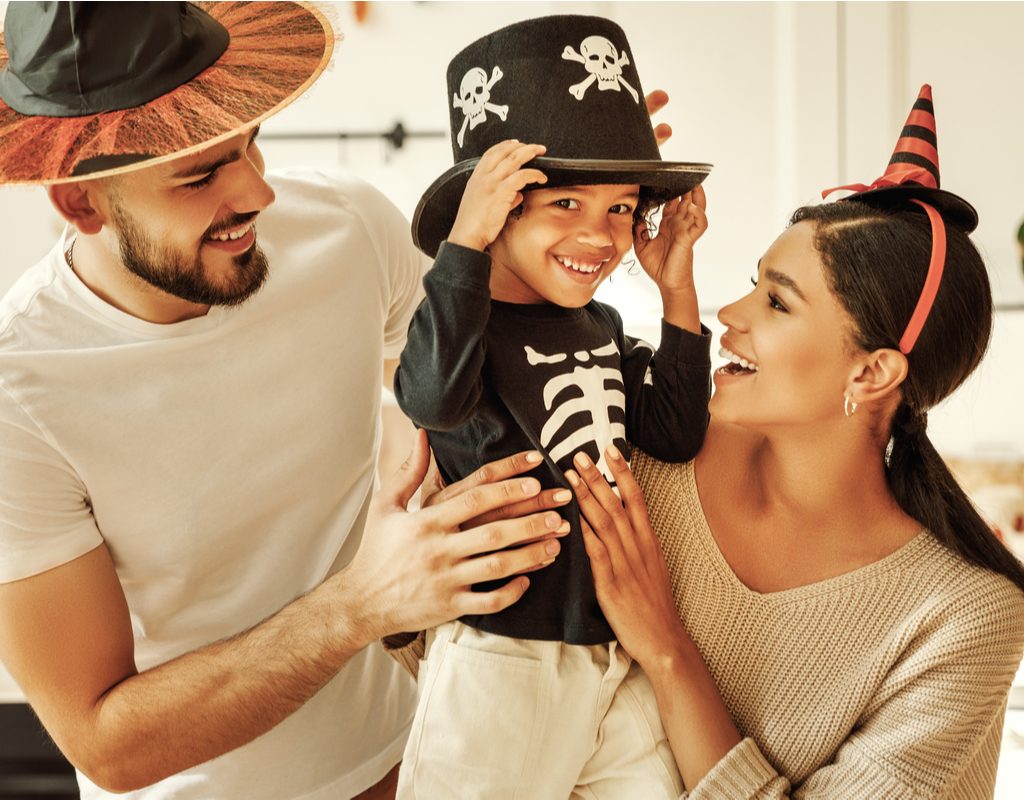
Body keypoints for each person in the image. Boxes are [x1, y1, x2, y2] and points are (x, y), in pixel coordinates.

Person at [0, 4, 575, 798]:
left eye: (250, 146)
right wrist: (361, 604)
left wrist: (578, 198)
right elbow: (107, 745)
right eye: (199, 175)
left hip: (414, 762)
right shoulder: (17, 398)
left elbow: (485, 370)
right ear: (82, 203)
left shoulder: (348, 226)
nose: (258, 193)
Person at [568, 85, 1024, 798]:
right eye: (755, 283)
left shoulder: (963, 619)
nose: (731, 312)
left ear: (873, 371)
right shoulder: (650, 443)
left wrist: (666, 647)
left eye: (777, 301)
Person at [391, 15, 712, 798]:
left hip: (615, 649)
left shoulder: (601, 325)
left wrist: (675, 288)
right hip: (501, 654)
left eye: (620, 209)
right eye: (565, 204)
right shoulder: (465, 333)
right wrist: (463, 243)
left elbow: (673, 432)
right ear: (496, 211)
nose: (600, 236)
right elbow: (429, 396)